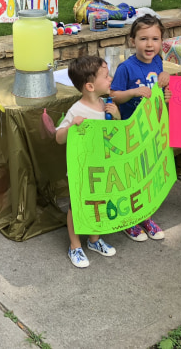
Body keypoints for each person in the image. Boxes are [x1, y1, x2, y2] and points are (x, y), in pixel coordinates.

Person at [109, 14, 170, 242]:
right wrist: (133, 92)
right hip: (129, 132)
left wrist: (165, 78)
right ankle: (130, 219)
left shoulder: (158, 61)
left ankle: (145, 214)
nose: (149, 44)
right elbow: (114, 95)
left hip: (150, 131)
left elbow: (159, 91)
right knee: (131, 176)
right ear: (132, 40)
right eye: (143, 38)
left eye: (155, 39)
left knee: (147, 175)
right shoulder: (126, 67)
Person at [56, 55, 121, 268]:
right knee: (76, 208)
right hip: (81, 171)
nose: (110, 78)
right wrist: (72, 126)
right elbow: (58, 138)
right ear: (90, 85)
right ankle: (75, 245)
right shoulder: (77, 110)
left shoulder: (107, 104)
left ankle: (94, 240)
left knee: (98, 205)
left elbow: (116, 135)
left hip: (101, 168)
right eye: (106, 75)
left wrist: (117, 117)